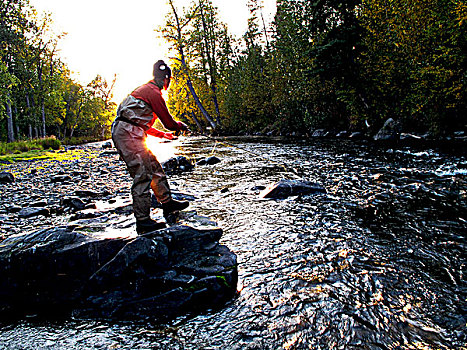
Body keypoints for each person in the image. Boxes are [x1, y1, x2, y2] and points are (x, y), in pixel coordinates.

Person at [111, 60, 189, 234]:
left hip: (129, 131)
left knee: (154, 166)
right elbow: (168, 122)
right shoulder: (154, 92)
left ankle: (167, 203)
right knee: (143, 174)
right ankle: (143, 221)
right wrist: (180, 126)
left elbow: (140, 123)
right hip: (128, 134)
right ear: (166, 79)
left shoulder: (145, 90)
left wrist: (164, 136)